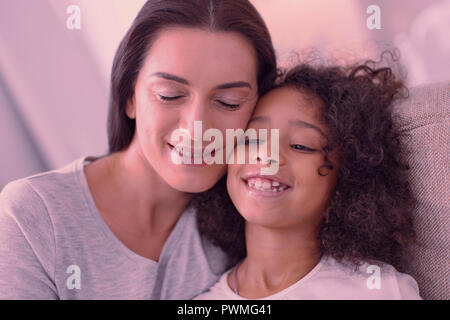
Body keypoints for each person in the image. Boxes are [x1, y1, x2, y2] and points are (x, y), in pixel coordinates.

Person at [0, 0, 276, 299]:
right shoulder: (34, 216)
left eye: (228, 102)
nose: (197, 127)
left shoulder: (254, 218)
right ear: (130, 97)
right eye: (169, 95)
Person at [194, 61, 422, 299]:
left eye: (301, 145)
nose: (267, 155)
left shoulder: (380, 291)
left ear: (348, 178)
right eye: (251, 139)